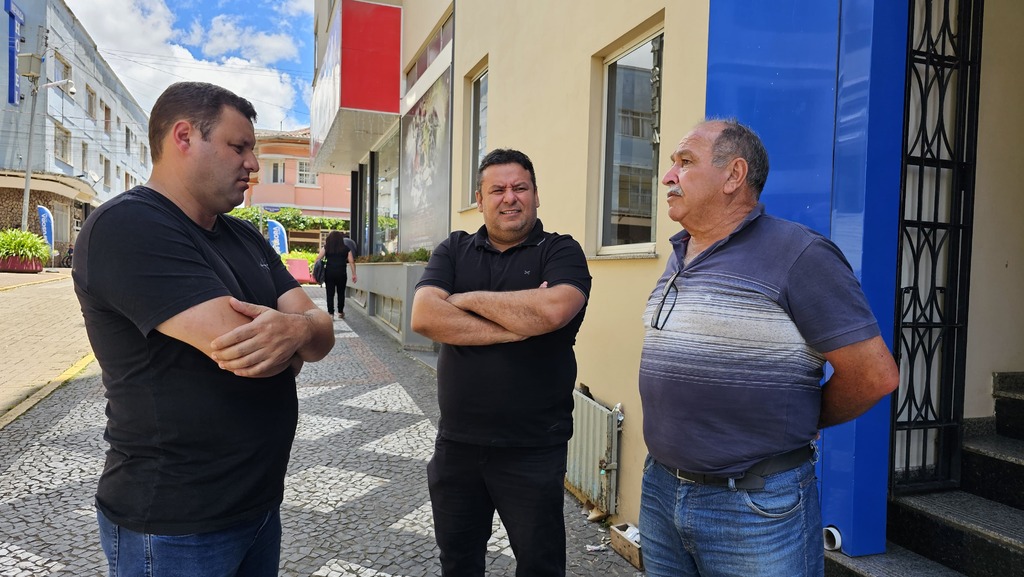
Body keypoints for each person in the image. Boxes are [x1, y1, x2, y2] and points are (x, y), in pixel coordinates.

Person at [72, 81, 336, 576]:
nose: (253, 164)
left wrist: (297, 334)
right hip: (175, 524)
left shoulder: (244, 236)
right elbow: (248, 354)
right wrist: (296, 334)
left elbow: (321, 332)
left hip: (256, 507)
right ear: (184, 136)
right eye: (239, 147)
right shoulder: (129, 227)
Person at [637, 119, 900, 577]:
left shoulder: (799, 254)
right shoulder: (682, 255)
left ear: (734, 175)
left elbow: (875, 375)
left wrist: (808, 417)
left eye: (685, 162)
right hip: (661, 490)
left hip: (754, 507)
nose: (668, 176)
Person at [410, 148, 591, 577]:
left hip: (533, 447)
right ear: (480, 198)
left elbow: (552, 311)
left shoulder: (561, 251)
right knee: (458, 562)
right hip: (457, 445)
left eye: (520, 187)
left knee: (540, 565)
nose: (510, 197)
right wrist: (519, 323)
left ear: (536, 196)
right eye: (498, 189)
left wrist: (465, 300)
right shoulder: (454, 249)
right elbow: (424, 316)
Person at [317, 230, 357, 319]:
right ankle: (340, 312)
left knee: (330, 293)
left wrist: (316, 271)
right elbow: (351, 261)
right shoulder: (346, 248)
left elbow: (318, 258)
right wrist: (354, 274)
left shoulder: (327, 247)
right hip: (341, 273)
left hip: (329, 272)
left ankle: (331, 313)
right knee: (341, 293)